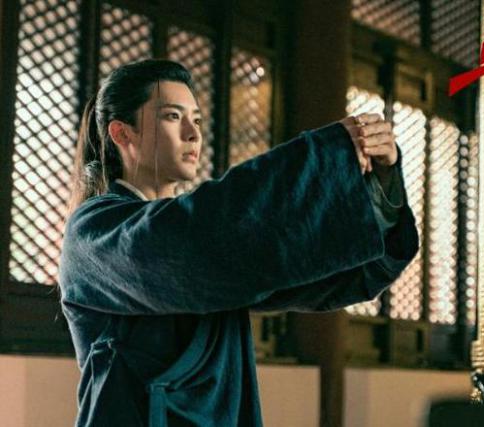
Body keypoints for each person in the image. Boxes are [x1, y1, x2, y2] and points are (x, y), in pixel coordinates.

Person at [58, 59, 419, 427]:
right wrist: (328, 156)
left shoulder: (212, 244)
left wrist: (381, 181)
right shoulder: (93, 231)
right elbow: (201, 236)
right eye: (172, 116)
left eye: (197, 120)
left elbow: (322, 270)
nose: (193, 134)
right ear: (122, 134)